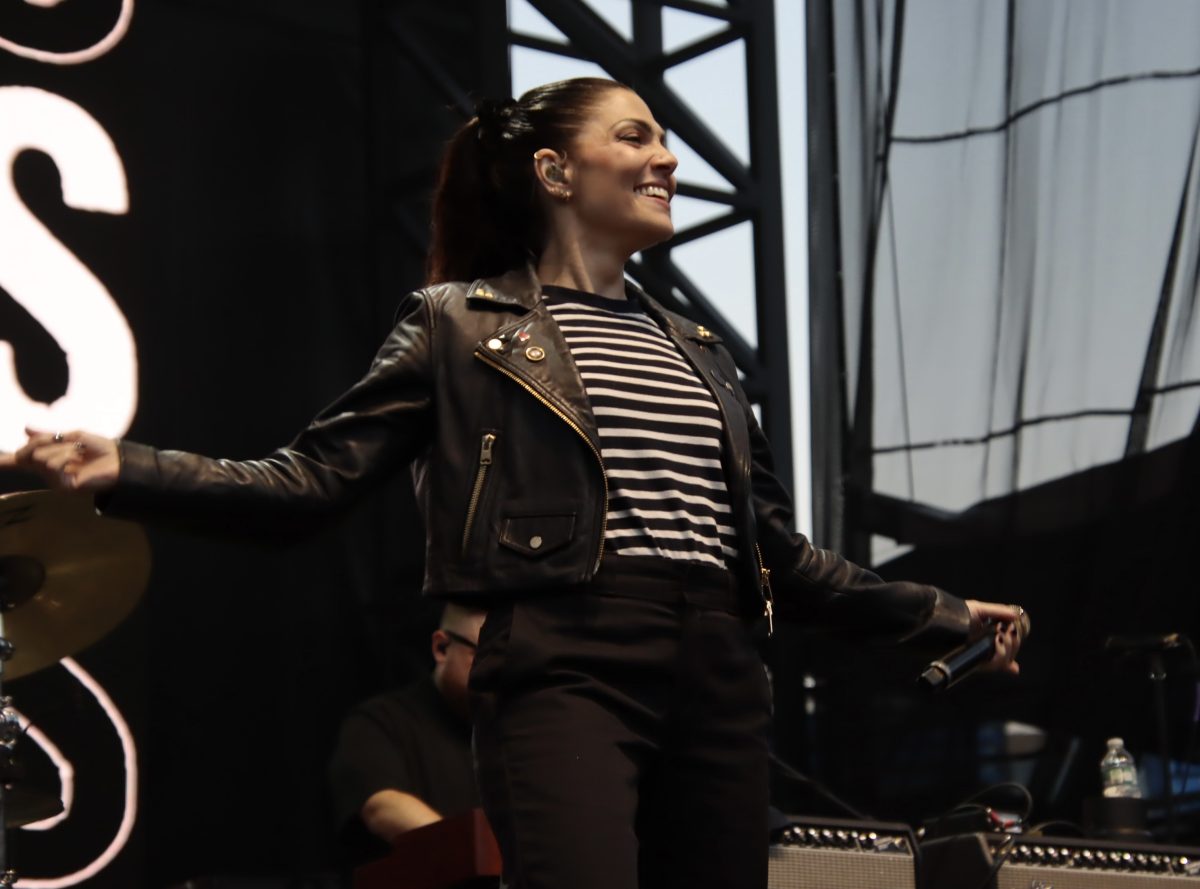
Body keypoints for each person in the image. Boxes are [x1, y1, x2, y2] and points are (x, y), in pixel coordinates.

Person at [2, 77, 1023, 889]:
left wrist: (935, 610)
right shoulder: (458, 324)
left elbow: (779, 556)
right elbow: (307, 483)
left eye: (664, 138)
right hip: (567, 656)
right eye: (634, 136)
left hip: (720, 670)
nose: (667, 157)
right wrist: (127, 466)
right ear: (554, 170)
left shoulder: (700, 350)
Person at [328, 604, 485, 862]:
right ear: (441, 647)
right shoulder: (380, 722)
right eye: (487, 654)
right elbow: (383, 805)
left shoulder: (521, 728)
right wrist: (478, 855)